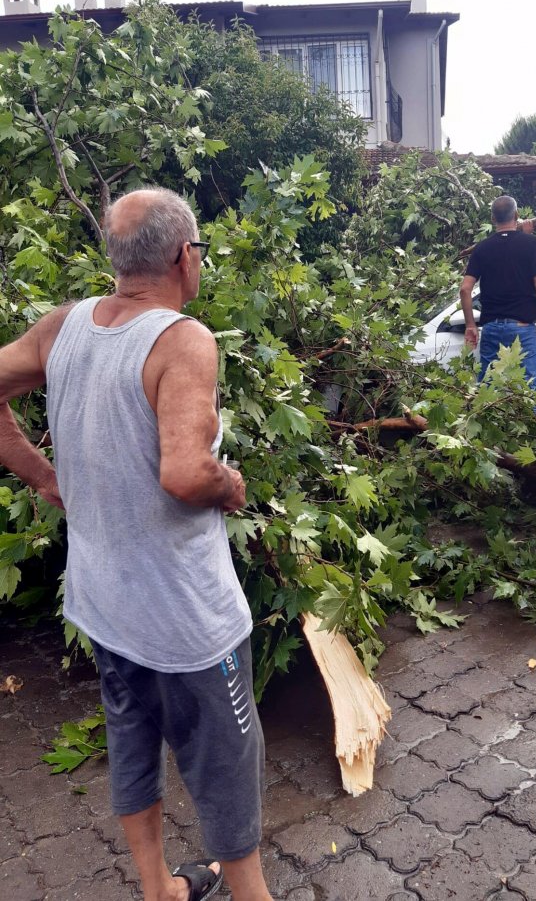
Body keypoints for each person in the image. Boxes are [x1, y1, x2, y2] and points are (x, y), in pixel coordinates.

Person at [0, 188, 272, 901]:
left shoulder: (63, 328)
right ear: (185, 257)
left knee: (132, 748)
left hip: (104, 608)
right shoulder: (183, 340)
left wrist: (43, 476)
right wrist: (230, 484)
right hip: (188, 626)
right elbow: (184, 472)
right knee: (228, 773)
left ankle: (160, 890)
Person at [460, 195, 536, 389]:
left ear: (493, 219)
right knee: (529, 390)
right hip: (522, 329)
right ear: (517, 215)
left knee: (488, 390)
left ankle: (488, 419)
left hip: (491, 329)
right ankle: (531, 420)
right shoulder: (531, 244)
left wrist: (470, 324)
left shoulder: (481, 248)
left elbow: (465, 289)